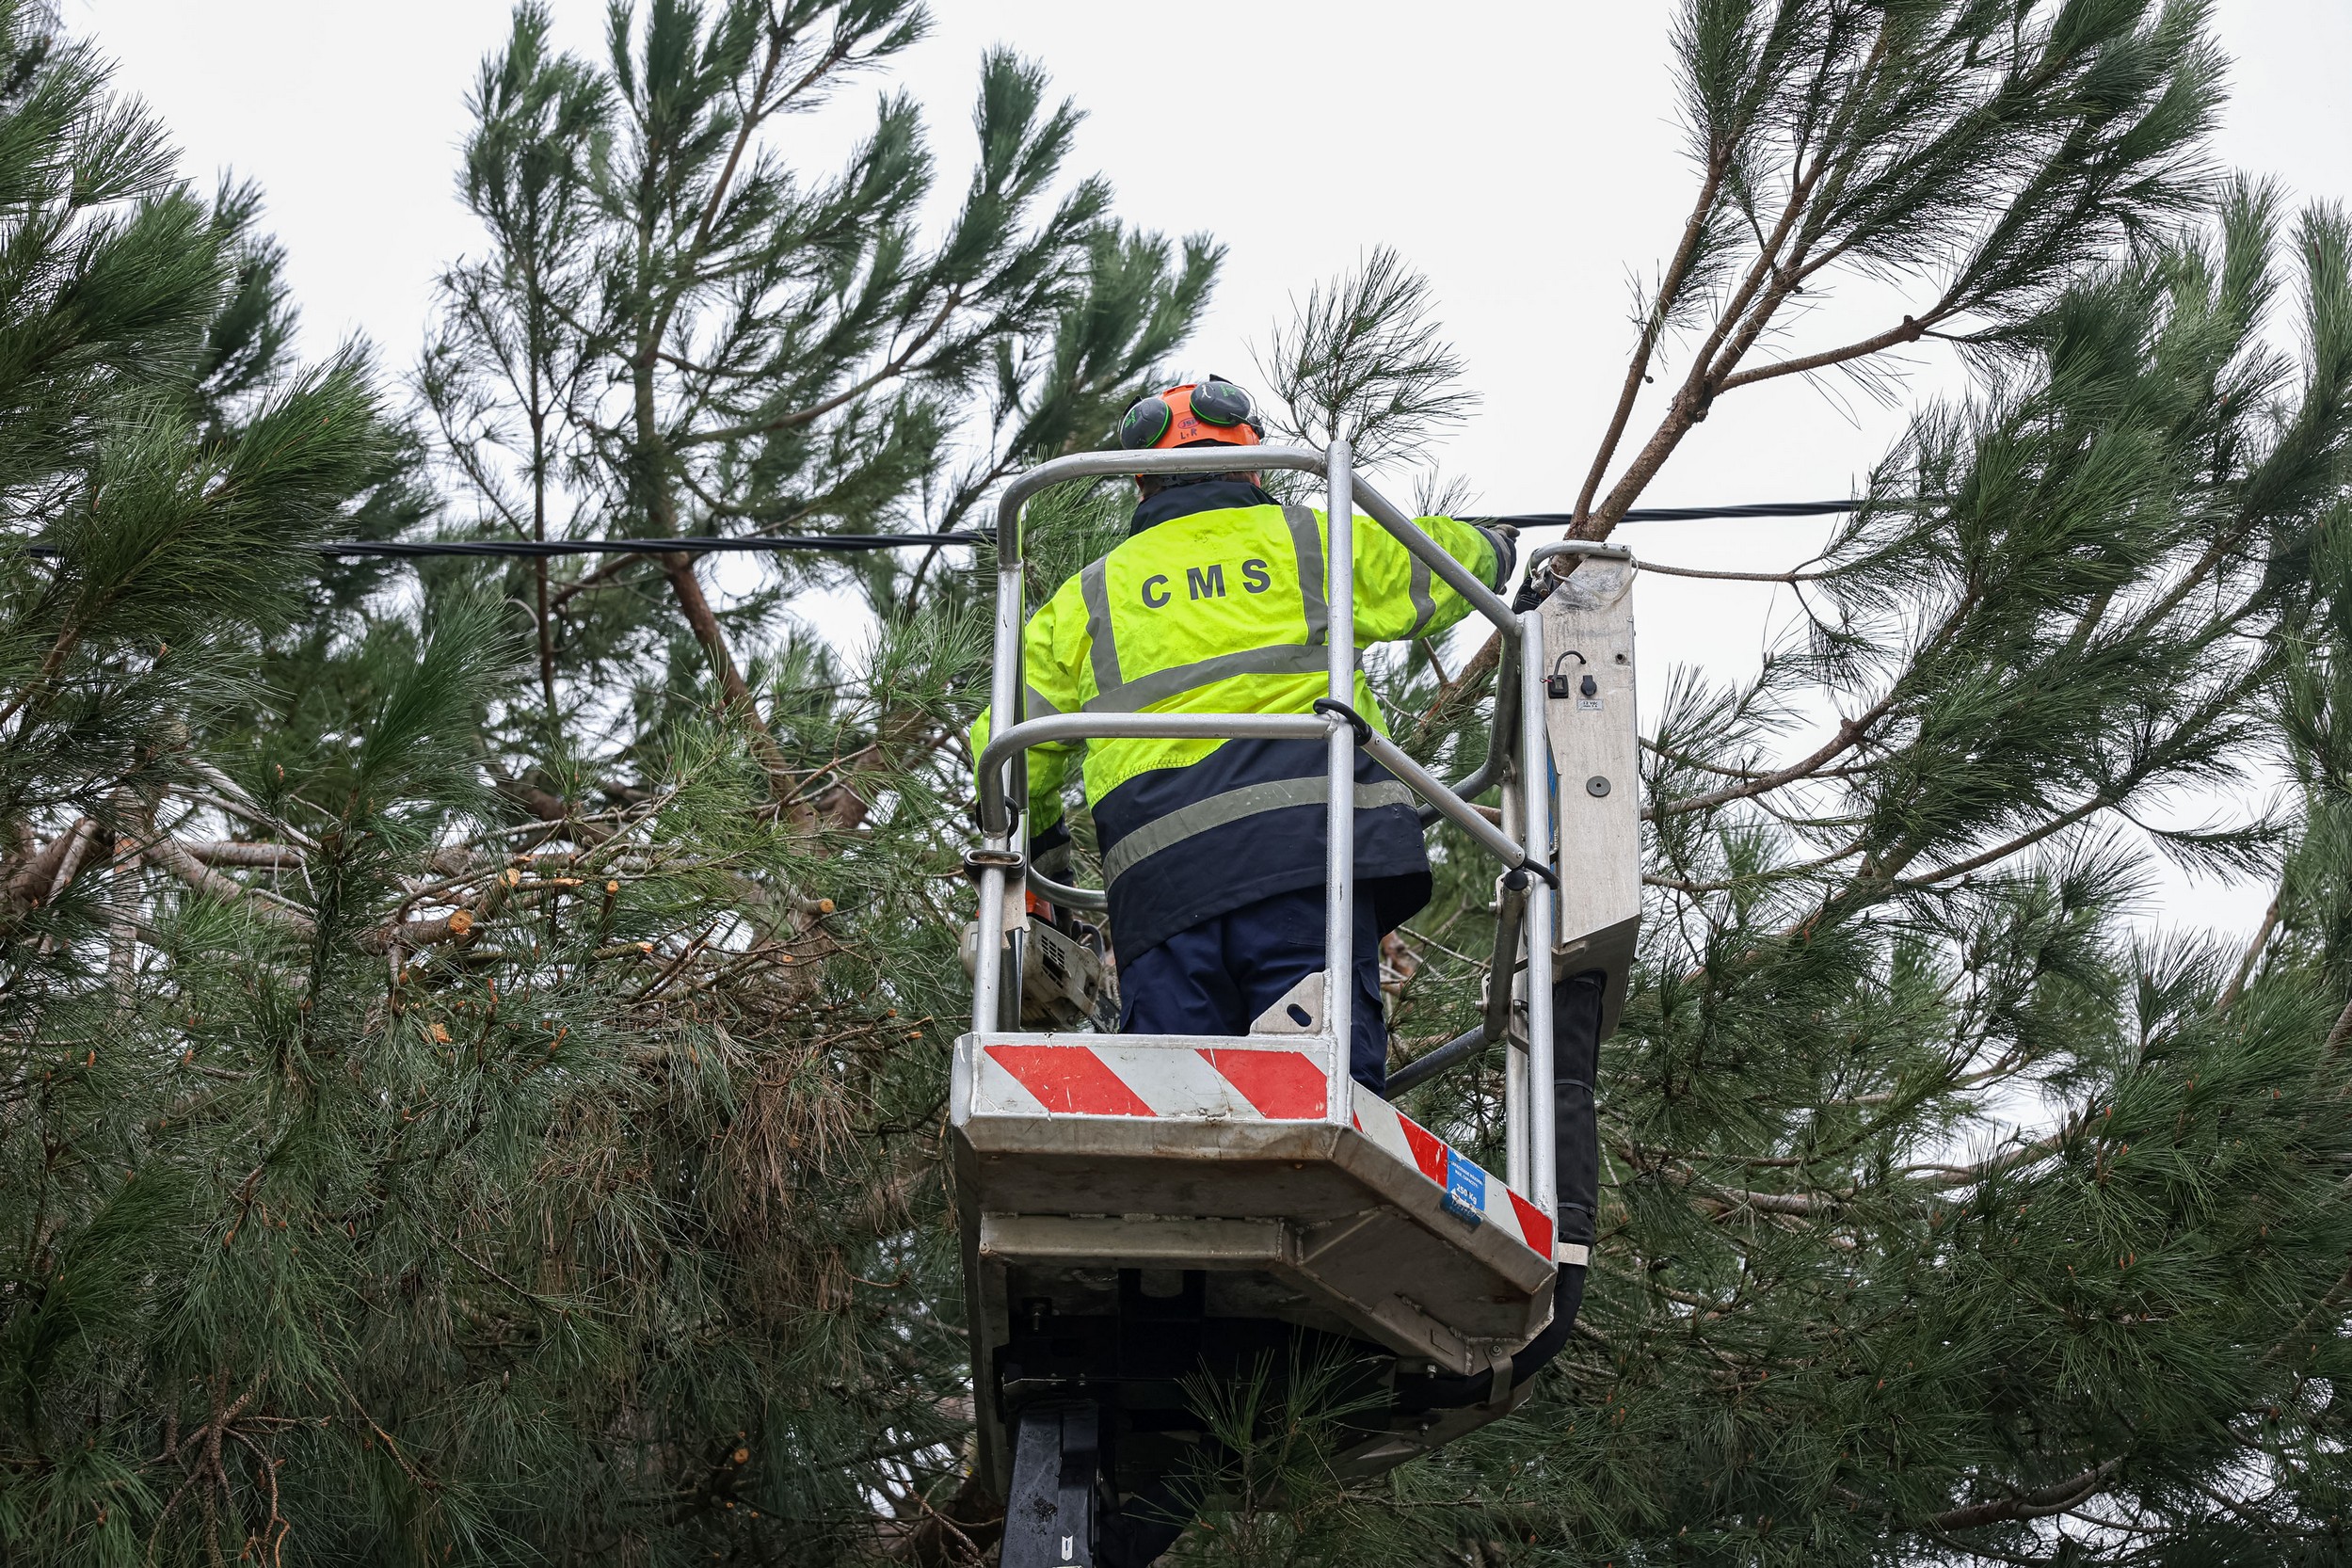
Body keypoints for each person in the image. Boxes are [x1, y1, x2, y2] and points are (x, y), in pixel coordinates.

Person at [976, 376, 1515, 1092]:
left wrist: (1045, 869)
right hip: (1307, 858)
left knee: (1171, 1103)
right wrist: (1496, 550)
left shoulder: (1088, 595)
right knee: (1318, 1091)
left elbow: (1008, 750)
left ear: (1142, 483)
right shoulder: (1308, 540)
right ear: (1254, 463)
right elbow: (1429, 565)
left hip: (1160, 887)